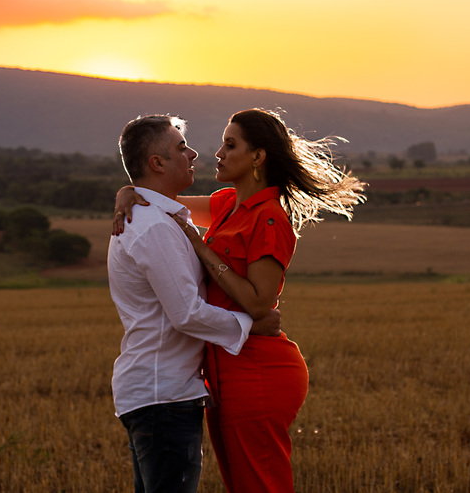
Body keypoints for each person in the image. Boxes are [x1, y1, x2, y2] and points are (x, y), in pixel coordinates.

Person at [115, 108, 365, 492]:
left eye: (230, 145)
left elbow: (259, 305)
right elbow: (163, 200)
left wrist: (202, 248)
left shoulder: (268, 218)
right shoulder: (227, 203)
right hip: (224, 374)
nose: (216, 153)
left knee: (260, 484)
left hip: (257, 370)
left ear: (257, 157)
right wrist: (128, 192)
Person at [108, 114, 282, 493]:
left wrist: (127, 190)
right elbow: (186, 313)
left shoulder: (160, 217)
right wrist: (254, 325)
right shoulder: (155, 227)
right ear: (157, 163)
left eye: (229, 144)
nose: (196, 153)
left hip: (163, 392)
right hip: (164, 394)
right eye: (180, 147)